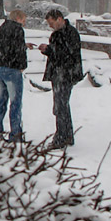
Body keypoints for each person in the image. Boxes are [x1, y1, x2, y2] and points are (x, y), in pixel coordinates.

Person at [38, 9, 84, 149]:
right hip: (60, 73)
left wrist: (49, 50)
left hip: (65, 74)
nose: (50, 26)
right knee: (61, 105)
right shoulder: (59, 34)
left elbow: (66, 54)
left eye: (51, 23)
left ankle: (61, 137)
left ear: (59, 19)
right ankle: (66, 135)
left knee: (60, 106)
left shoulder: (70, 33)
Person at [0, 9, 33, 142]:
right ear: (18, 18)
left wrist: (23, 45)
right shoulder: (18, 29)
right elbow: (18, 50)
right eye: (24, 20)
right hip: (12, 70)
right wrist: (22, 66)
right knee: (15, 103)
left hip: (0, 67)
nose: (24, 23)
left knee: (1, 100)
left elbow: (5, 46)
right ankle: (16, 134)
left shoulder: (2, 28)